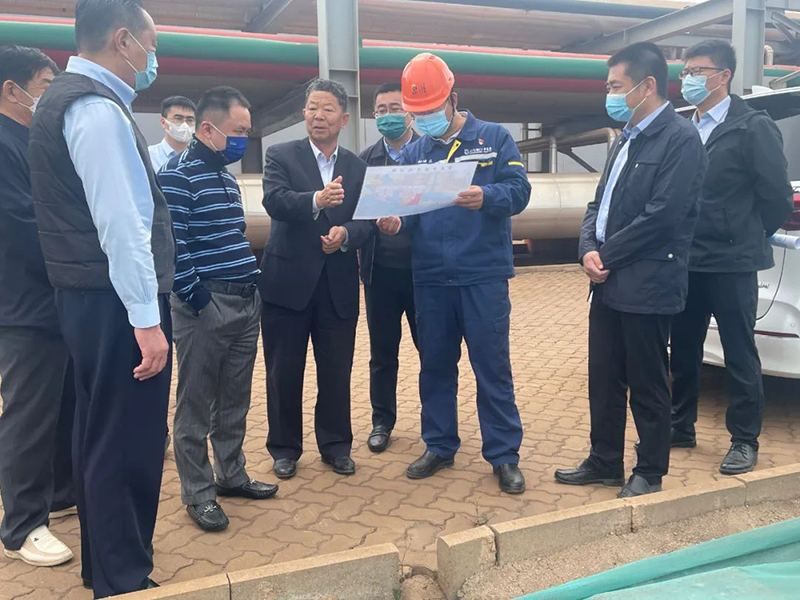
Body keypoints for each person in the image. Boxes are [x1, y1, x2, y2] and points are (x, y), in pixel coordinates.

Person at [28, 0, 175, 595]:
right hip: (117, 303)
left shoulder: (62, 100)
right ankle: (124, 578)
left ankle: (106, 565)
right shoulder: (96, 110)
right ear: (123, 41)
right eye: (151, 46)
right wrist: (147, 320)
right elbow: (122, 225)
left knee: (99, 433)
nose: (153, 59)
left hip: (89, 298)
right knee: (128, 443)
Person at [554, 42, 707, 498]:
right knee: (604, 377)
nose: (610, 95)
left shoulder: (680, 139)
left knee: (647, 381)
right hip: (608, 281)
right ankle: (604, 460)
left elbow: (664, 216)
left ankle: (650, 471)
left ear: (647, 85)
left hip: (649, 282)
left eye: (616, 86)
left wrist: (607, 255)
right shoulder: (626, 137)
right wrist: (587, 249)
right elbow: (597, 204)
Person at [376, 53, 530, 494]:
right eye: (417, 113)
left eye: (430, 110)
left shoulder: (494, 138)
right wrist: (395, 222)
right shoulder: (415, 153)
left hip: (482, 275)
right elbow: (409, 210)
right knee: (435, 367)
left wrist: (487, 196)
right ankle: (439, 445)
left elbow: (520, 191)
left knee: (492, 368)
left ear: (453, 100)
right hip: (430, 278)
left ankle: (503, 455)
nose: (423, 120)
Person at [670, 40, 794, 474]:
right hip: (686, 259)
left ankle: (744, 439)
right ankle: (679, 426)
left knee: (739, 352)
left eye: (698, 71)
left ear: (723, 76)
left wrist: (746, 234)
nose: (689, 79)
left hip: (732, 262)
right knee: (684, 349)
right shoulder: (683, 127)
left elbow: (776, 196)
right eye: (685, 71)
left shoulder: (752, 126)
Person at [159, 86, 278, 533]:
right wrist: (199, 301)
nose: (244, 139)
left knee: (234, 398)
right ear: (208, 129)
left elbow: (231, 235)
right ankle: (198, 492)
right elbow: (173, 245)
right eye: (238, 131)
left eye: (248, 131)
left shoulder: (227, 178)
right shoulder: (177, 175)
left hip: (245, 301)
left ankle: (231, 474)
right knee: (195, 403)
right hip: (205, 304)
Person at [259, 79, 373, 480]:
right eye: (312, 108)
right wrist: (315, 200)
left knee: (336, 372)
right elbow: (274, 201)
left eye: (327, 109)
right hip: (286, 285)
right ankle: (284, 448)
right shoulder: (280, 155)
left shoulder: (357, 167)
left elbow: (367, 221)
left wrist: (346, 235)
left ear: (343, 118)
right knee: (283, 372)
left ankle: (336, 446)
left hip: (337, 286)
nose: (318, 116)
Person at [0, 44, 76, 568]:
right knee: (28, 413)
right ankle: (22, 524)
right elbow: (25, 223)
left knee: (59, 404)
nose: (52, 100)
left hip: (54, 298)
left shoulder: (31, 141)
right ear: (12, 90)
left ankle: (59, 493)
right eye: (46, 88)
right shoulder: (4, 145)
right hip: (25, 304)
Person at [358, 82, 420, 453]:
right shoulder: (365, 161)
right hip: (379, 272)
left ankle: (437, 424)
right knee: (382, 354)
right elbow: (356, 212)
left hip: (423, 273)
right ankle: (382, 421)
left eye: (394, 108)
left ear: (410, 112)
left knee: (433, 351)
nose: (388, 116)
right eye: (381, 111)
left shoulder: (428, 155)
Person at [148, 95, 196, 172]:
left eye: (190, 120)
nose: (185, 124)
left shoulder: (200, 158)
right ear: (163, 122)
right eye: (178, 118)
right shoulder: (149, 156)